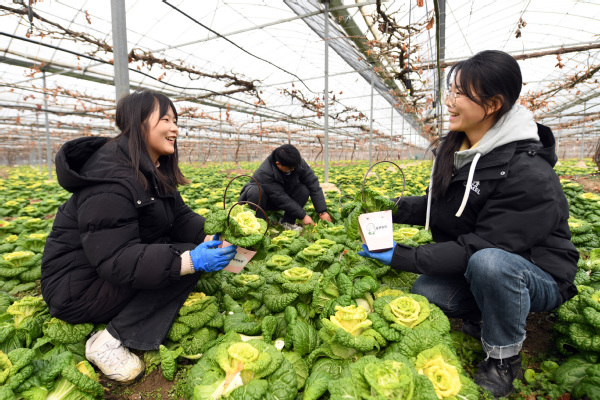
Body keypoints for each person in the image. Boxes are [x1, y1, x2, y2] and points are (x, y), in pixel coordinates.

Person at [358, 50, 578, 398]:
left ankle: (503, 358)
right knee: (427, 291)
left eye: (460, 93)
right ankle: (492, 311)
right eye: (451, 91)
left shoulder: (529, 173)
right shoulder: (460, 150)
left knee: (490, 264)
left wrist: (403, 256)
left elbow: (483, 247)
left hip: (538, 273)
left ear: (492, 104)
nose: (449, 101)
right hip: (483, 259)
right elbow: (442, 208)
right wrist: (394, 209)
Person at [41, 89, 237, 383]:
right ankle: (108, 341)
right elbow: (116, 260)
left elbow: (179, 216)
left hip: (100, 274)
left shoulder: (151, 169)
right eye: (166, 119)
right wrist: (190, 261)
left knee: (183, 254)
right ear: (139, 122)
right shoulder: (110, 180)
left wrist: (211, 235)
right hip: (74, 289)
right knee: (182, 266)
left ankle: (124, 317)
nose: (175, 129)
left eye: (176, 121)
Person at [238, 144, 332, 231]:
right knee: (255, 191)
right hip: (265, 201)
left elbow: (313, 184)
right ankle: (261, 226)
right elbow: (279, 197)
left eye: (295, 166)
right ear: (278, 164)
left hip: (283, 196)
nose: (294, 169)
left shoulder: (296, 163)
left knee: (303, 189)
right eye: (291, 168)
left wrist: (322, 211)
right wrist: (303, 215)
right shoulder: (265, 171)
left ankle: (287, 222)